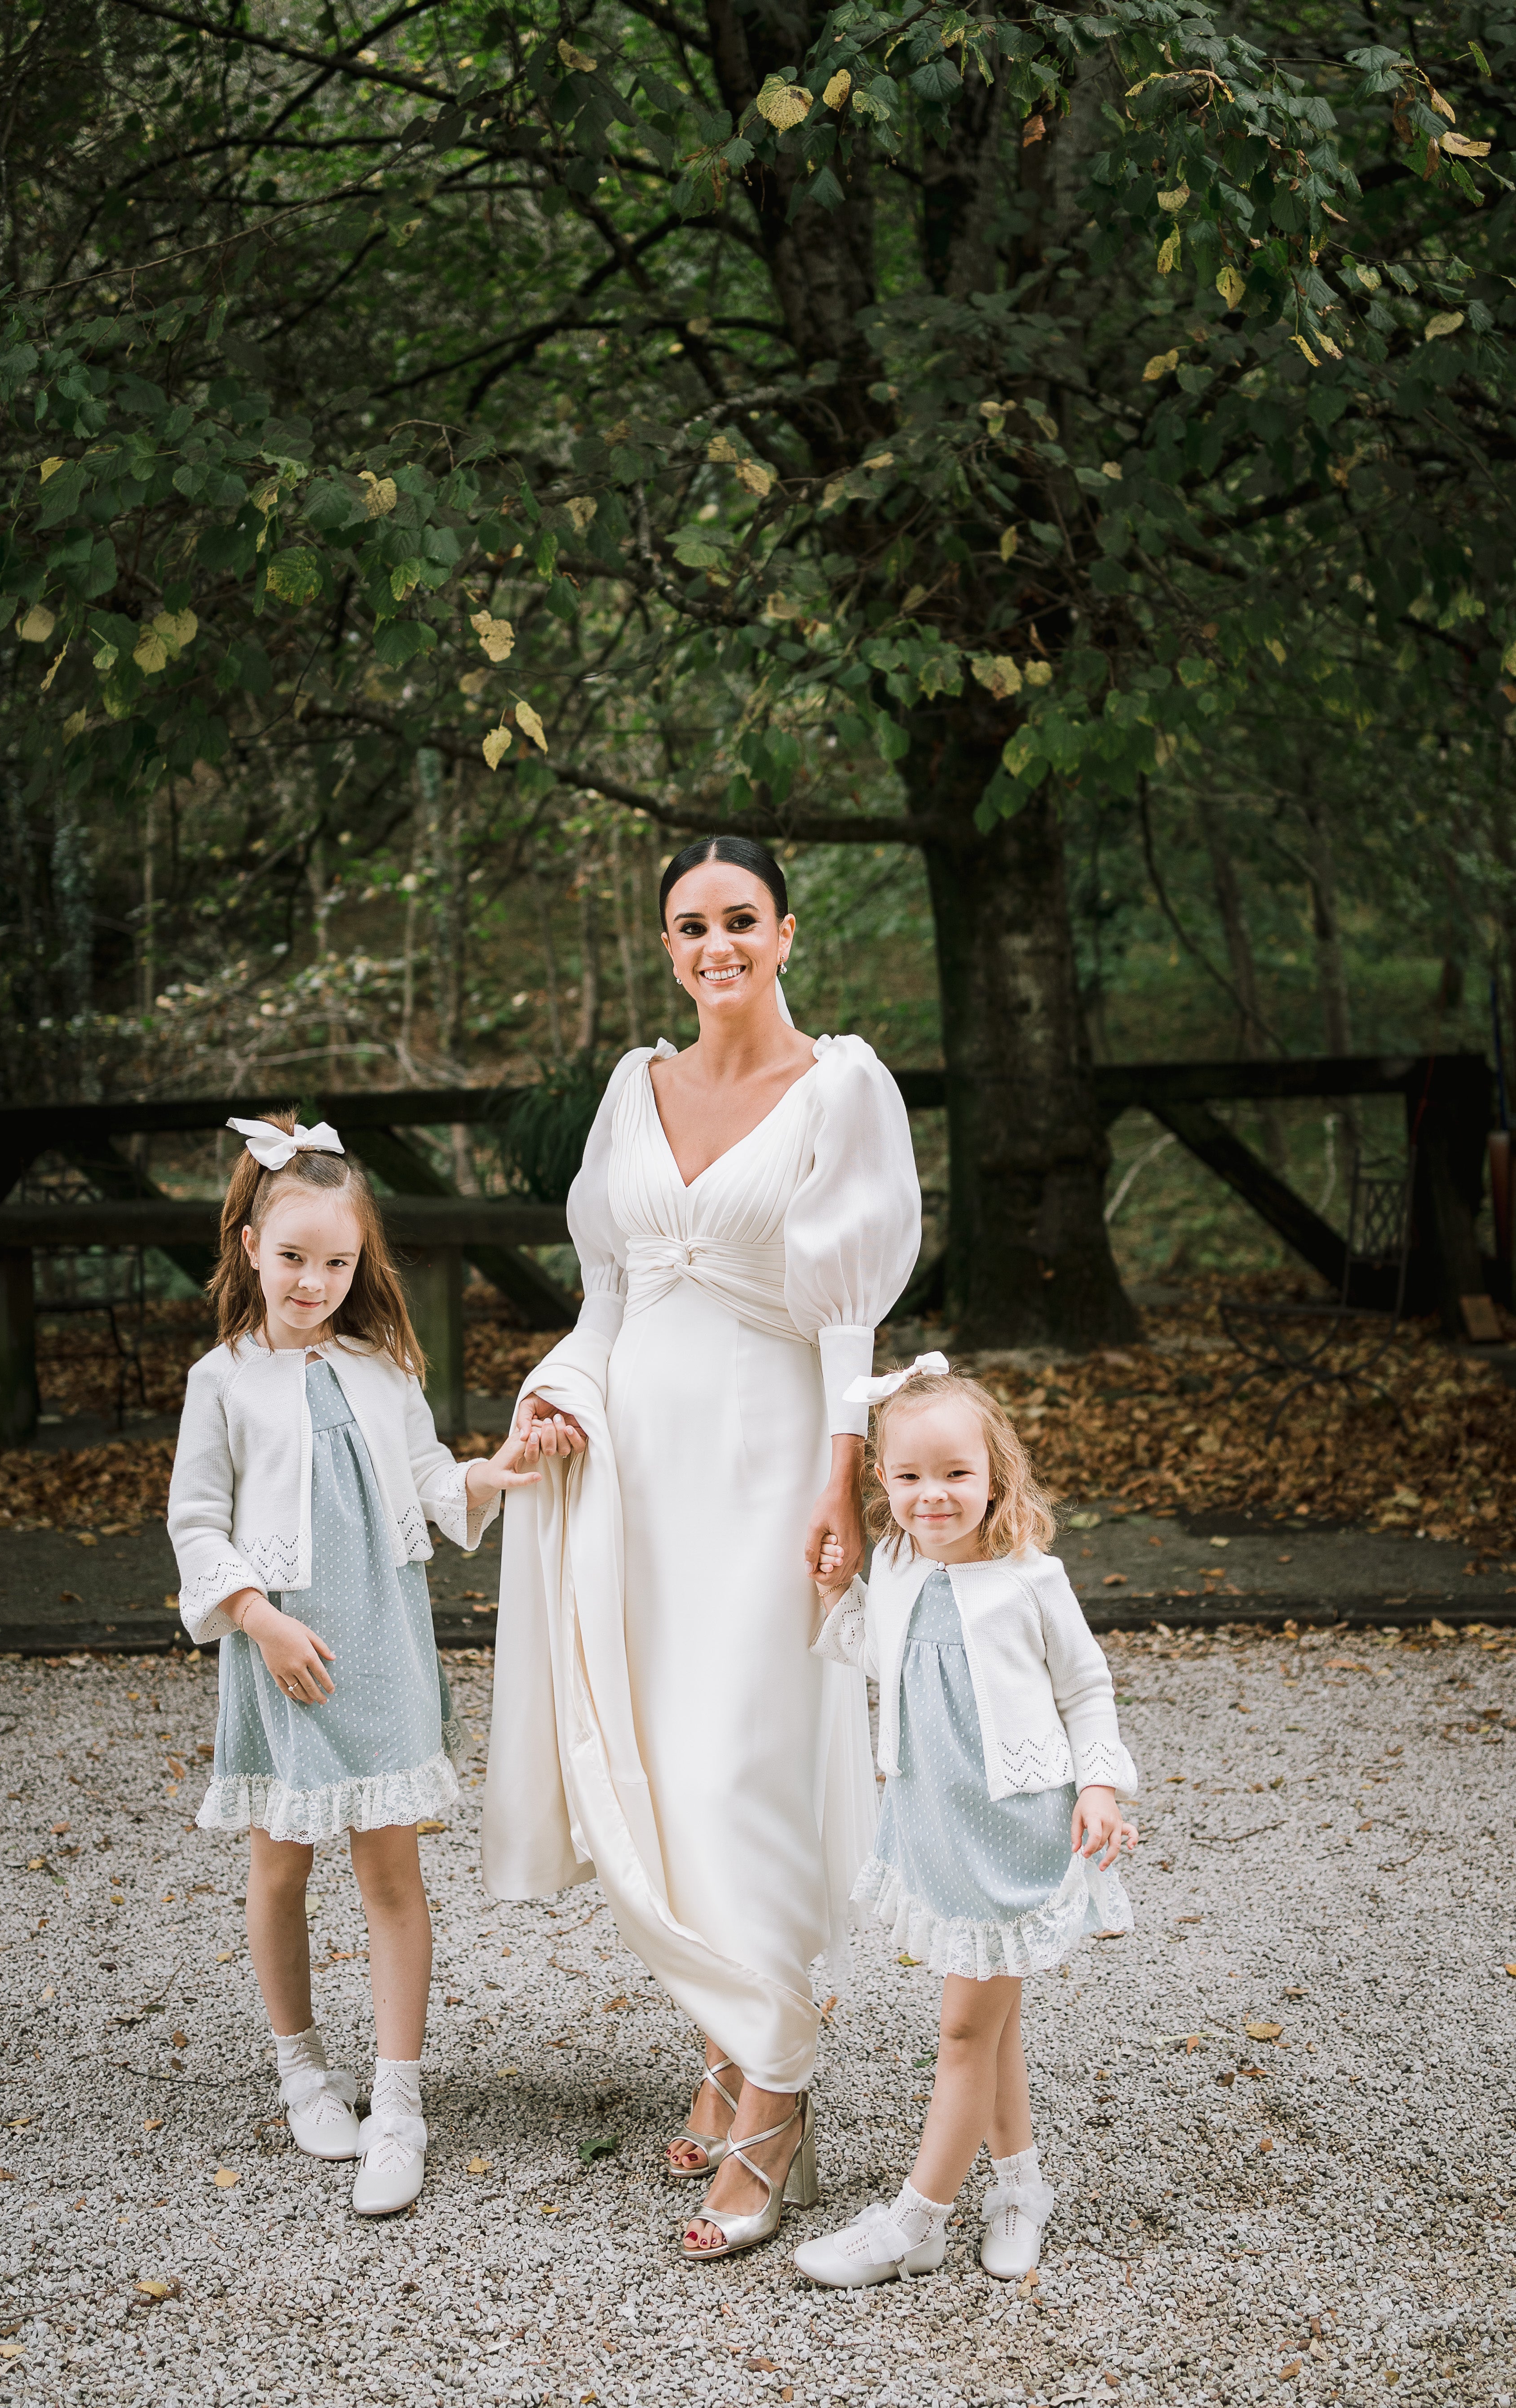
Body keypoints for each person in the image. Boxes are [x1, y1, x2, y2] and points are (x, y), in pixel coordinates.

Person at [482, 834, 922, 2260]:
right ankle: (731, 2040)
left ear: (788, 932)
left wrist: (841, 1483)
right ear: (665, 945)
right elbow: (606, 1295)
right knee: (667, 1763)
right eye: (689, 924)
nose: (715, 943)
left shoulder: (842, 1086)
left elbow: (850, 1315)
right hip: (637, 1468)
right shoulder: (632, 1086)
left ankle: (778, 2098)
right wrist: (559, 1392)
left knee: (743, 1758)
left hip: (769, 1454)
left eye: (741, 919)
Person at [168, 1110, 569, 2215]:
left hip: (382, 1642)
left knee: (392, 1874)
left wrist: (495, 1470)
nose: (315, 1280)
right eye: (293, 1256)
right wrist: (257, 1614)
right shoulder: (224, 1381)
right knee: (282, 1866)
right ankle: (303, 2067)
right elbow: (197, 1524)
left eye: (337, 1261)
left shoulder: (385, 1367)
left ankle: (401, 2101)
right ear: (249, 1244)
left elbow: (433, 1485)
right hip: (287, 1650)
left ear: (362, 1261)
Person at [793, 1358, 1139, 2286]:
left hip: (1014, 1831)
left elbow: (1088, 1685)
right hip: (933, 1821)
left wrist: (1100, 1787)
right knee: (993, 2026)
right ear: (883, 1482)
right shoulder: (902, 1566)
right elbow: (886, 1661)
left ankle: (917, 2219)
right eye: (909, 1476)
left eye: (954, 1473)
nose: (932, 1495)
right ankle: (1020, 2189)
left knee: (960, 2032)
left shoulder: (1031, 1578)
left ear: (997, 1472)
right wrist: (839, 1594)